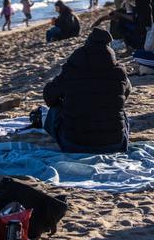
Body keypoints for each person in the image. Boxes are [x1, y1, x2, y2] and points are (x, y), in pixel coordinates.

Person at [43, 23, 131, 152]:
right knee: (120, 111)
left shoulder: (72, 68)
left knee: (55, 110)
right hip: (115, 144)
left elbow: (49, 97)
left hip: (73, 143)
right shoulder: (119, 72)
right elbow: (127, 92)